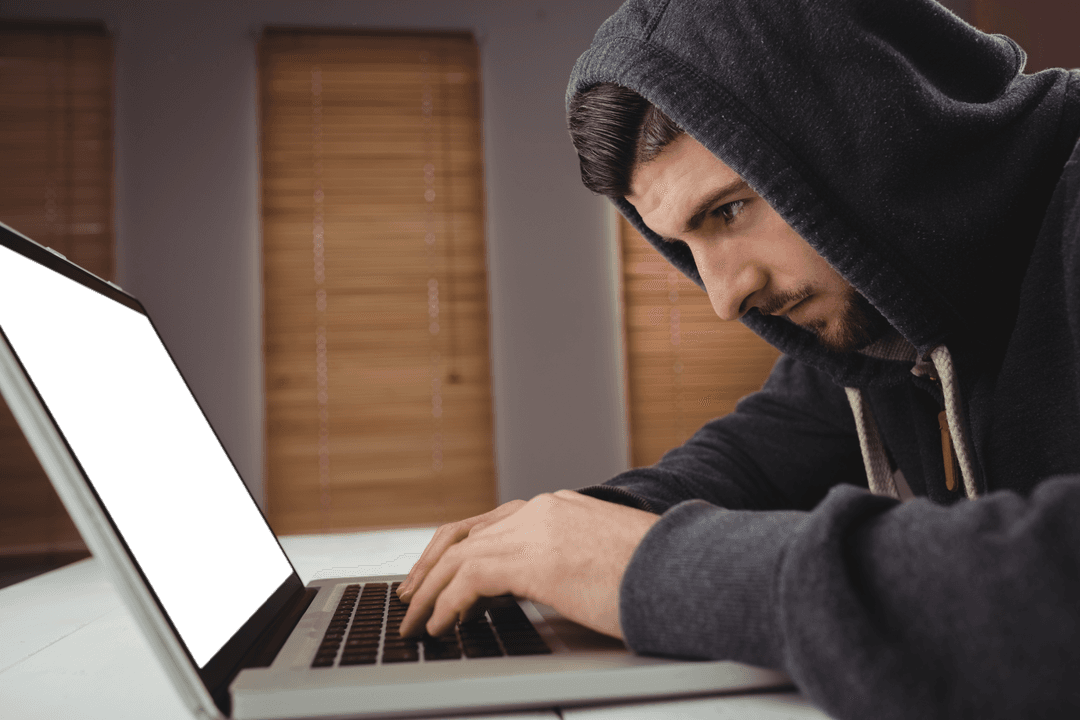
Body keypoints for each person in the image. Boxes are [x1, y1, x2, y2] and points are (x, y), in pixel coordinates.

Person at [398, 0, 1080, 716]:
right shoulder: (890, 314)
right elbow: (762, 452)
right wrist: (568, 535)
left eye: (727, 211)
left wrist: (652, 570)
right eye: (686, 246)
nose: (724, 297)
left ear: (861, 123)